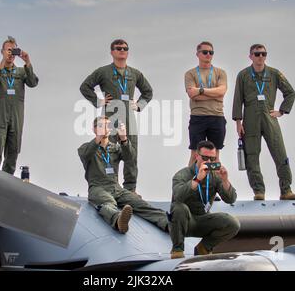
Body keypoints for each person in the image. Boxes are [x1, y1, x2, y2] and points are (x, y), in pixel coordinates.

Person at [80, 39, 153, 194]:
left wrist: (139, 105)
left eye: (125, 48)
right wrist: (98, 101)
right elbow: (85, 86)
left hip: (128, 118)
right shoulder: (103, 71)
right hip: (110, 117)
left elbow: (148, 92)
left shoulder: (135, 73)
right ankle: (111, 186)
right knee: (109, 151)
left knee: (131, 154)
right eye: (118, 48)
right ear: (112, 52)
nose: (122, 51)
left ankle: (130, 189)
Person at [78, 116, 168, 234]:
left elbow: (130, 159)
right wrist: (98, 137)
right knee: (108, 203)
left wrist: (124, 139)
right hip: (98, 188)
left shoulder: (115, 148)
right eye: (101, 126)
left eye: (107, 126)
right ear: (94, 129)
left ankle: (168, 223)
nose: (105, 128)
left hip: (116, 188)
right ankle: (118, 220)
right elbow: (85, 154)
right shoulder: (85, 148)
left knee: (140, 204)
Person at [232, 44, 295, 201]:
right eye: (257, 54)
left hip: (269, 118)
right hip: (250, 120)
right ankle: (258, 191)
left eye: (263, 54)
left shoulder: (274, 74)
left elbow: (290, 92)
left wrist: (281, 111)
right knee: (252, 156)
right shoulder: (243, 75)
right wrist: (238, 122)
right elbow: (237, 99)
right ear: (251, 56)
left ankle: (286, 190)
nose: (260, 56)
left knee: (280, 153)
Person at [169, 140, 240, 259]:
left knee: (233, 223)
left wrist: (225, 180)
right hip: (184, 221)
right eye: (205, 158)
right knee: (179, 208)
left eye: (212, 159)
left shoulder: (214, 176)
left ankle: (204, 247)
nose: (209, 162)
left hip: (202, 220)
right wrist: (197, 180)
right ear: (197, 156)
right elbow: (178, 196)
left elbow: (230, 199)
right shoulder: (182, 174)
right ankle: (177, 250)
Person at [0, 36, 39, 175]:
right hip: (0, 118)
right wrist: (3, 62)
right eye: (8, 50)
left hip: (16, 119)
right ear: (2, 51)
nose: (11, 54)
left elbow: (33, 83)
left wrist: (27, 62)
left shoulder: (21, 72)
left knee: (13, 152)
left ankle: (5, 184)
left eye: (13, 51)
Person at [185, 41, 228, 166]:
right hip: (198, 117)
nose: (208, 54)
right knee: (195, 154)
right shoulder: (190, 74)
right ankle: (190, 183)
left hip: (217, 116)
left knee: (215, 155)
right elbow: (192, 95)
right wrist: (214, 95)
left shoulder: (220, 72)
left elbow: (222, 92)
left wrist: (201, 90)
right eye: (205, 52)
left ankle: (216, 183)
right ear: (197, 54)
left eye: (211, 52)